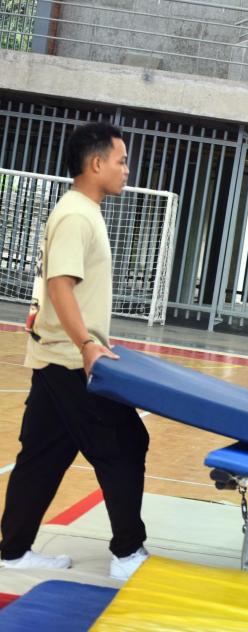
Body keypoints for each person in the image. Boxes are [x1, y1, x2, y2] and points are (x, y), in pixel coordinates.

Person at [0, 122, 151, 581]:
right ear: (97, 163)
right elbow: (59, 283)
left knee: (42, 455)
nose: (127, 169)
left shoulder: (82, 211)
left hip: (58, 357)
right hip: (71, 360)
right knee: (126, 444)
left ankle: (12, 550)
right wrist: (87, 344)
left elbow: (55, 286)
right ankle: (128, 553)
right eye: (121, 160)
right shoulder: (76, 215)